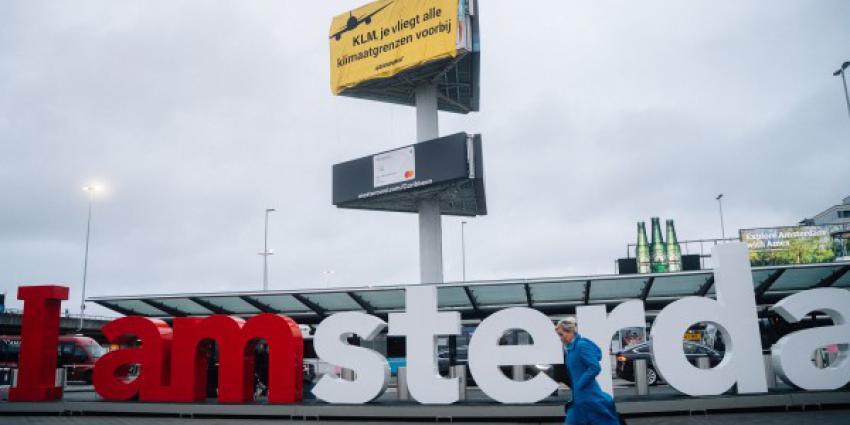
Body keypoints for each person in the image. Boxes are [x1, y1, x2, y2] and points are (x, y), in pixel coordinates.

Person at [556, 318, 621, 425]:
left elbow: (595, 367)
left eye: (561, 334)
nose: (560, 338)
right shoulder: (571, 349)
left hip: (589, 396)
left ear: (570, 332)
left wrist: (580, 383)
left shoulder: (581, 345)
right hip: (578, 398)